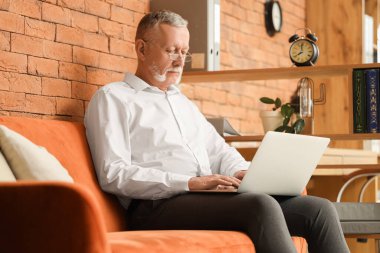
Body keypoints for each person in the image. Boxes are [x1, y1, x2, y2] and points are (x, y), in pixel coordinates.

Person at [84, 10, 350, 253]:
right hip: (156, 206)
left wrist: (241, 172)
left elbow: (219, 150)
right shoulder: (113, 98)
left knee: (320, 210)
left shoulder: (181, 102)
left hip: (203, 198)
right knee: (261, 205)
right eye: (171, 50)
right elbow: (114, 173)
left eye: (184, 52)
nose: (180, 61)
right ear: (141, 49)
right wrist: (189, 182)